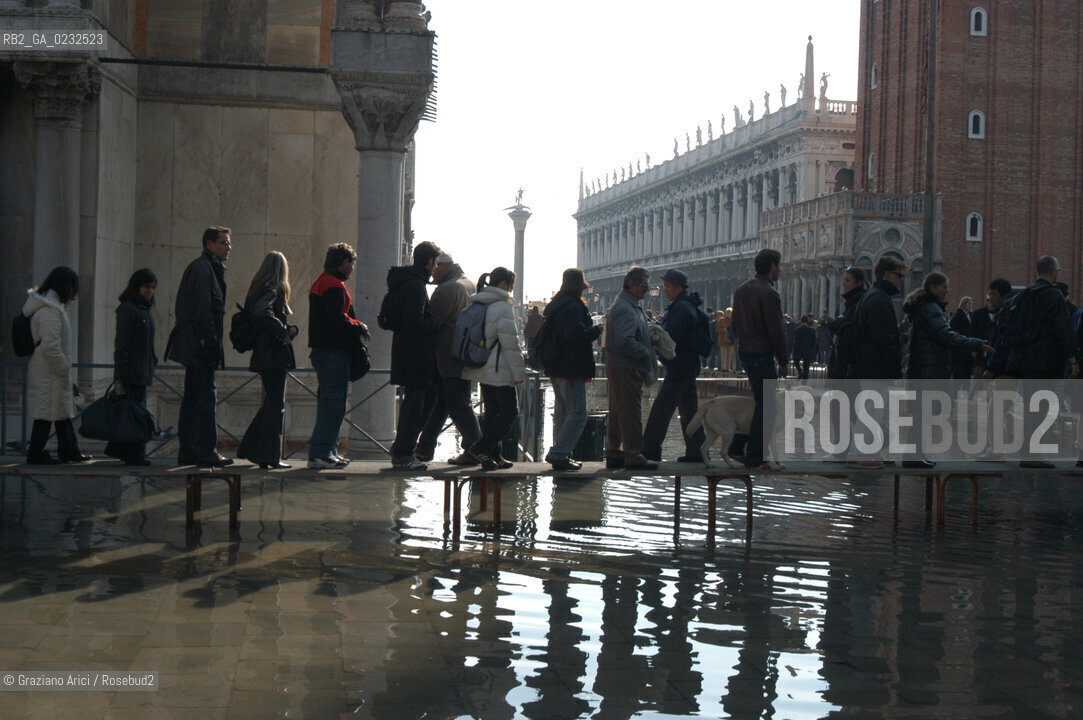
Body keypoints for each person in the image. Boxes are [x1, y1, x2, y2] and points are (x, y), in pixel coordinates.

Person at [901, 273, 992, 468]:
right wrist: (974, 343)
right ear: (933, 287)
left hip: (922, 366)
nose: (947, 290)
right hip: (929, 367)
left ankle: (916, 454)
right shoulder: (931, 309)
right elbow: (946, 334)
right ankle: (913, 456)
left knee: (920, 412)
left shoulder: (924, 307)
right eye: (944, 286)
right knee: (922, 413)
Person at [1005, 256, 1079, 468]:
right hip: (1045, 360)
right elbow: (1063, 329)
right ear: (1053, 271)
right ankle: (1033, 454)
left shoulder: (1024, 295)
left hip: (1025, 359)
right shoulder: (1053, 295)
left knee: (1030, 407)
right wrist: (1072, 358)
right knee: (1042, 408)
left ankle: (1028, 452)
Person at [167, 227, 231, 467]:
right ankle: (204, 449)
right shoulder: (203, 270)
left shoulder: (207, 269)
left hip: (199, 346)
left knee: (196, 398)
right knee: (203, 398)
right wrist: (209, 343)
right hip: (200, 347)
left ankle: (192, 449)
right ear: (209, 244)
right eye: (223, 242)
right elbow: (202, 311)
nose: (228, 247)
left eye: (228, 243)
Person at [307, 243, 370, 469]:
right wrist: (360, 327)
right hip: (332, 352)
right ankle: (322, 453)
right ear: (344, 262)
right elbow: (336, 320)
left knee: (331, 403)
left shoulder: (322, 282)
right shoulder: (333, 285)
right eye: (351, 263)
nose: (352, 268)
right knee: (333, 404)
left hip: (325, 352)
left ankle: (328, 450)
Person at [415, 253, 482, 465]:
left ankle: (475, 448)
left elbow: (433, 323)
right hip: (464, 354)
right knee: (445, 403)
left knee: (457, 404)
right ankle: (425, 447)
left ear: (443, 266)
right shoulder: (469, 283)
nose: (433, 269)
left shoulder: (448, 289)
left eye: (435, 266)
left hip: (448, 354)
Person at [22, 266, 89, 465]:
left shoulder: (49, 306)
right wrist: (63, 367)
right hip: (51, 371)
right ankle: (38, 453)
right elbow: (50, 345)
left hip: (48, 371)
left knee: (59, 412)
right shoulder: (50, 309)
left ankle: (69, 451)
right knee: (48, 413)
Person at [462, 267, 527, 471]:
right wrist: (519, 374)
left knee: (492, 413)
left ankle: (494, 455)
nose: (512, 289)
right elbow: (510, 344)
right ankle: (480, 448)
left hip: (481, 367)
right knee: (510, 412)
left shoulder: (479, 302)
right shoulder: (502, 307)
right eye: (511, 285)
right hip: (499, 370)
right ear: (504, 284)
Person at [237, 252, 296, 469]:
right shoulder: (271, 289)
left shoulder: (259, 288)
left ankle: (252, 449)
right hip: (273, 355)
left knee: (271, 403)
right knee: (275, 405)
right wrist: (283, 333)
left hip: (264, 354)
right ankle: (269, 455)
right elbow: (263, 313)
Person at [385, 241, 442, 470]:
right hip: (415, 357)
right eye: (435, 262)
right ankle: (403, 452)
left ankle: (402, 448)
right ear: (428, 262)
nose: (436, 267)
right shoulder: (416, 286)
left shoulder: (404, 282)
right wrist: (434, 322)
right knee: (416, 406)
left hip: (405, 354)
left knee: (419, 402)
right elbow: (414, 323)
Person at [642, 269, 708, 463]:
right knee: (689, 410)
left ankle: (650, 450)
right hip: (687, 364)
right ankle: (697, 450)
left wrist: (657, 336)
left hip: (681, 364)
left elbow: (673, 338)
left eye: (668, 287)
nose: (666, 291)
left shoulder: (681, 309)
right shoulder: (685, 306)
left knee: (662, 407)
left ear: (679, 287)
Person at [729, 249, 787, 470]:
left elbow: (734, 326)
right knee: (768, 407)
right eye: (778, 266)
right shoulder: (768, 293)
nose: (779, 270)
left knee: (759, 401)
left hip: (746, 352)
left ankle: (736, 447)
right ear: (772, 266)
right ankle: (756, 457)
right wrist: (783, 359)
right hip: (762, 354)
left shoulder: (741, 290)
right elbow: (776, 330)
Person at [848, 256, 906, 468]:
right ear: (887, 274)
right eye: (899, 275)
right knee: (872, 409)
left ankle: (869, 452)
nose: (901, 280)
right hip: (875, 364)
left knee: (874, 409)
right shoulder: (878, 299)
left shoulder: (874, 296)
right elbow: (883, 336)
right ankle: (860, 453)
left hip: (871, 363)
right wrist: (894, 359)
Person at [541, 268, 602, 471]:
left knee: (562, 413)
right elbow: (575, 336)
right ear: (579, 287)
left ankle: (560, 450)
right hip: (570, 367)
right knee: (577, 413)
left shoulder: (556, 305)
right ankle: (559, 453)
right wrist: (595, 330)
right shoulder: (573, 307)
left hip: (556, 366)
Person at [604, 267, 657, 471]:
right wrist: (644, 351)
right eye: (644, 285)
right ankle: (633, 455)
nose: (647, 289)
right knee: (631, 412)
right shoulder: (626, 309)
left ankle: (614, 452)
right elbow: (625, 341)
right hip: (626, 367)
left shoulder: (629, 306)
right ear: (633, 284)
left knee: (618, 411)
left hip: (621, 366)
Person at [106, 269, 158, 466]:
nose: (150, 291)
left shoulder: (144, 310)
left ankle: (131, 452)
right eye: (146, 287)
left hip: (141, 372)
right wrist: (120, 376)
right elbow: (122, 346)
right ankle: (134, 453)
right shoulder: (129, 310)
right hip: (131, 373)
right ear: (137, 287)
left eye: (152, 288)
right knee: (134, 415)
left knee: (136, 415)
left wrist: (152, 363)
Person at [827, 267, 867, 380]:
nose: (843, 284)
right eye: (843, 280)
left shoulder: (860, 304)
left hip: (851, 371)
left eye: (847, 280)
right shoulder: (851, 303)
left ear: (858, 283)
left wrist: (840, 324)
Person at [980, 278, 1012, 378]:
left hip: (1003, 371)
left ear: (1004, 296)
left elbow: (1002, 344)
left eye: (993, 294)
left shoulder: (1007, 316)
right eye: (989, 295)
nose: (990, 298)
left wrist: (992, 368)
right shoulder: (1000, 315)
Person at [948, 296, 973, 379]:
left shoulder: (970, 315)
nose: (970, 306)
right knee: (959, 371)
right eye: (969, 303)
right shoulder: (958, 316)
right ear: (964, 304)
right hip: (960, 347)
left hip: (967, 346)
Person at [792, 315, 817, 380]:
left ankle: (800, 372)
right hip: (808, 350)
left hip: (799, 350)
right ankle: (805, 382)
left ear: (801, 321)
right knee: (806, 367)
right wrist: (812, 351)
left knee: (796, 362)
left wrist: (794, 351)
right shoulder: (812, 330)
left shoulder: (797, 330)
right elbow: (814, 342)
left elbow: (796, 342)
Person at [717, 307, 735, 373]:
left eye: (730, 313)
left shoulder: (734, 321)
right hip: (723, 340)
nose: (728, 314)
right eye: (727, 313)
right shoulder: (721, 320)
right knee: (724, 354)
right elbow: (717, 328)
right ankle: (723, 367)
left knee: (730, 354)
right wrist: (722, 330)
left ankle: (728, 367)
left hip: (731, 340)